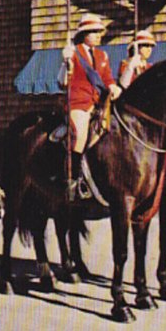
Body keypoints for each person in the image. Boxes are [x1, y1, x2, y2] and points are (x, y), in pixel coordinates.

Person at [57, 13, 122, 201]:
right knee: (81, 134)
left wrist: (113, 86)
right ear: (84, 33)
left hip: (99, 102)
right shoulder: (74, 52)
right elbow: (62, 82)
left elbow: (107, 78)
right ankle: (72, 180)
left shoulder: (103, 55)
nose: (98, 35)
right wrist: (65, 62)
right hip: (79, 102)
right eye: (94, 32)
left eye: (99, 32)